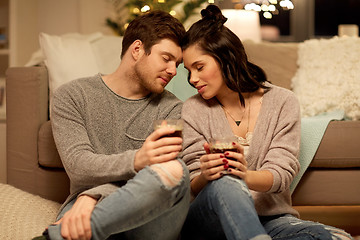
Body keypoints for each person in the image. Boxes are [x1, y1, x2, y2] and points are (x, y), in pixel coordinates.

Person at [180, 4, 353, 240]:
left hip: (272, 220)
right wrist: (207, 176)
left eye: (199, 67)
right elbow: (191, 184)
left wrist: (245, 175)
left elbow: (281, 174)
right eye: (188, 71)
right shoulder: (193, 108)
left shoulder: (283, 102)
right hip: (212, 223)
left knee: (334, 237)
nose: (193, 79)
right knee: (226, 182)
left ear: (226, 58)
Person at [35, 10, 190, 240]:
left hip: (146, 217)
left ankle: (54, 237)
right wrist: (138, 160)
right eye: (166, 58)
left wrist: (93, 195)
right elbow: (78, 165)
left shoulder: (172, 108)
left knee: (176, 170)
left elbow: (158, 179)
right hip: (87, 209)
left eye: (177, 64)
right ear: (137, 50)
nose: (173, 71)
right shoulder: (72, 95)